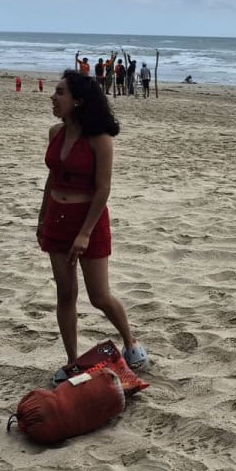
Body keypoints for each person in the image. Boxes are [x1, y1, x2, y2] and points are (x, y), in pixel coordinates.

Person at [37, 70, 149, 383]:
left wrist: (85, 233)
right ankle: (72, 361)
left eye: (60, 92)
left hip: (89, 221)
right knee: (65, 294)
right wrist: (42, 218)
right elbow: (52, 178)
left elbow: (103, 189)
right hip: (57, 219)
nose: (53, 97)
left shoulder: (100, 140)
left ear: (78, 100)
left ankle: (131, 342)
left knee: (99, 296)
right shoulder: (55, 132)